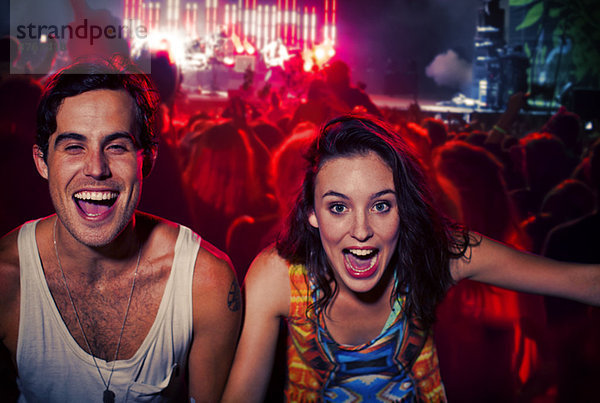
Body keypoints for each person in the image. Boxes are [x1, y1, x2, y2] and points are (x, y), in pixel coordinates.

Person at [222, 114, 600, 402]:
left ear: (405, 210)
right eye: (338, 207)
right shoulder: (278, 276)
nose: (361, 229)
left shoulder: (440, 253)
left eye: (381, 205)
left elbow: (582, 281)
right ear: (312, 214)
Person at [0, 56, 241, 402]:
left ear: (148, 160)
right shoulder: (7, 279)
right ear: (42, 162)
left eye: (116, 146)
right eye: (73, 147)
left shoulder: (205, 282)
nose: (96, 169)